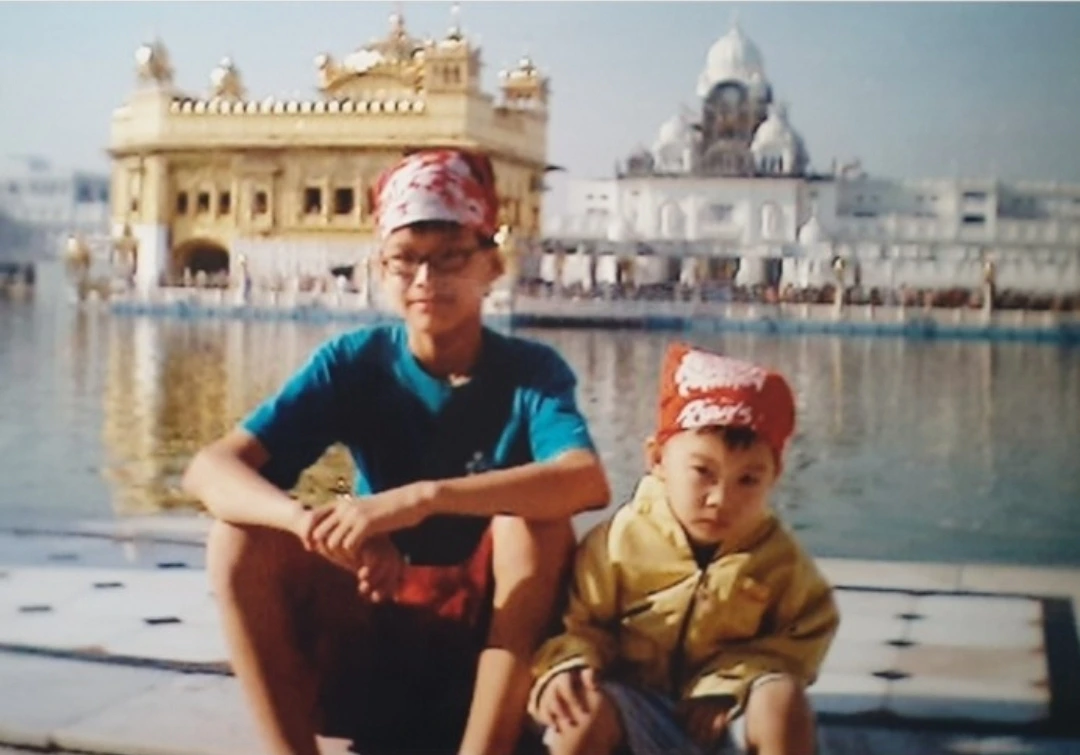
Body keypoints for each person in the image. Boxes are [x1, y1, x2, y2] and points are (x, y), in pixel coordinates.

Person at [183, 149, 611, 755]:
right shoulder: (356, 362)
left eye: (450, 257)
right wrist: (317, 527)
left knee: (534, 527)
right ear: (381, 269)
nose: (425, 280)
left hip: (497, 658)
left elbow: (584, 479)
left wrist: (420, 500)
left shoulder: (530, 373)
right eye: (405, 260)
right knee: (237, 541)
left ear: (491, 265)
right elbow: (209, 469)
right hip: (377, 622)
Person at [528, 343, 840, 755]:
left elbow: (803, 636)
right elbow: (580, 625)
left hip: (731, 710)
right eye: (702, 472)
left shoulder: (778, 558)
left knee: (782, 703)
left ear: (775, 475)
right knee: (578, 718)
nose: (721, 499)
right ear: (657, 458)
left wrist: (728, 683)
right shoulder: (618, 543)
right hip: (637, 704)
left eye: (748, 480)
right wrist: (572, 664)